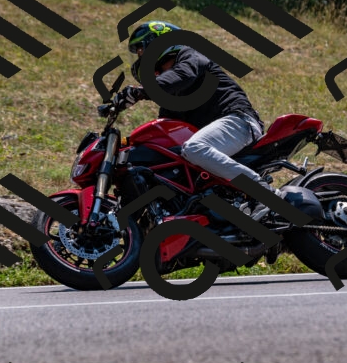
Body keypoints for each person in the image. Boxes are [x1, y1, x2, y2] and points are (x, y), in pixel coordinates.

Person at [99, 21, 281, 221]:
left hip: (239, 121)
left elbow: (182, 75)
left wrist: (141, 91)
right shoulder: (171, 97)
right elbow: (165, 131)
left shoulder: (190, 55)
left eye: (142, 50)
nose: (140, 57)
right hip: (218, 141)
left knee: (194, 148)